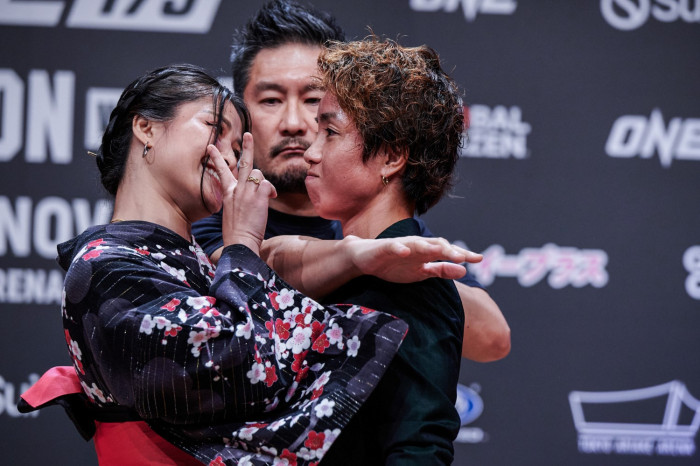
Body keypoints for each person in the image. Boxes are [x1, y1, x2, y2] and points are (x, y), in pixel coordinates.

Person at [18, 64, 481, 465]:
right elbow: (237, 363)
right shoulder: (106, 266)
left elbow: (282, 260)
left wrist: (358, 255)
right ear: (146, 127)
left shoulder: (198, 264)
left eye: (238, 146)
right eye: (212, 127)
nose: (227, 155)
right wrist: (242, 240)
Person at [192, 0, 510, 362]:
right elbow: (241, 268)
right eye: (271, 100)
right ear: (240, 112)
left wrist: (404, 266)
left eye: (313, 99)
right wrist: (363, 261)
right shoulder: (209, 219)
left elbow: (493, 338)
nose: (294, 123)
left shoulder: (382, 229)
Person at [308, 37, 466, 465]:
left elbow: (418, 447)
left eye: (330, 133)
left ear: (392, 158)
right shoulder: (343, 267)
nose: (310, 152)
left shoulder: (414, 282)